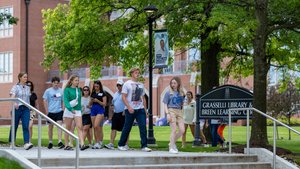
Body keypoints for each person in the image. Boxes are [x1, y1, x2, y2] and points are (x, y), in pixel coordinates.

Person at [118, 67, 152, 152]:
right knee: (127, 127)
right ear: (132, 74)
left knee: (143, 127)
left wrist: (145, 109)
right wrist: (129, 107)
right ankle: (121, 144)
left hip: (140, 109)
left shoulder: (141, 85)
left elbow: (143, 98)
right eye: (136, 72)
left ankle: (144, 146)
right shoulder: (127, 84)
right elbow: (123, 97)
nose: (137, 74)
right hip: (130, 109)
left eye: (138, 72)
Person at [63, 75, 88, 151]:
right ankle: (66, 145)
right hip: (69, 110)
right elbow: (66, 101)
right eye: (76, 80)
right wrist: (71, 109)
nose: (77, 82)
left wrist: (79, 110)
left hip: (77, 110)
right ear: (71, 81)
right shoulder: (67, 90)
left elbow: (79, 102)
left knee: (80, 127)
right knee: (68, 128)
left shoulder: (79, 90)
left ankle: (82, 144)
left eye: (78, 80)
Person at [9, 72, 33, 150]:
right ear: (20, 78)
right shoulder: (15, 87)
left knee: (26, 125)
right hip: (17, 108)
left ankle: (26, 143)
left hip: (26, 108)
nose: (26, 78)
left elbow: (28, 99)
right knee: (14, 125)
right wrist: (14, 103)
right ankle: (12, 142)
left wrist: (30, 109)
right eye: (24, 77)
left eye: (26, 77)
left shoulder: (27, 88)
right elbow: (12, 96)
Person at [163, 76, 185, 154]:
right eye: (172, 83)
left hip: (179, 111)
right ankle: (171, 147)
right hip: (171, 110)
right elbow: (165, 104)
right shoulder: (168, 92)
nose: (173, 84)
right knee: (174, 129)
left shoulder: (181, 93)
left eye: (175, 83)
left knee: (182, 130)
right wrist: (167, 114)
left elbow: (182, 104)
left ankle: (171, 142)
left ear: (178, 83)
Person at [43, 76, 65, 149]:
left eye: (57, 83)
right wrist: (47, 111)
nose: (56, 84)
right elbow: (44, 101)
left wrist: (63, 109)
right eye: (54, 83)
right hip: (50, 112)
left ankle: (59, 141)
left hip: (59, 111)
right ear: (52, 83)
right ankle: (50, 142)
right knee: (50, 127)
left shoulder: (61, 91)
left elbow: (63, 101)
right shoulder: (48, 91)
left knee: (59, 126)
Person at [105, 80, 127, 150]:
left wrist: (125, 110)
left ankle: (125, 144)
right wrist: (111, 112)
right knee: (113, 128)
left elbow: (128, 102)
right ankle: (111, 143)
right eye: (118, 85)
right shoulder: (115, 94)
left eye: (120, 85)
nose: (119, 87)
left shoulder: (125, 93)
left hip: (123, 113)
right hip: (116, 113)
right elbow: (112, 103)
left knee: (125, 129)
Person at [90, 80, 106, 149]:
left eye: (97, 86)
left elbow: (104, 104)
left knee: (97, 126)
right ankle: (96, 142)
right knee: (95, 127)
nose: (96, 87)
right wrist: (91, 101)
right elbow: (90, 104)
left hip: (100, 110)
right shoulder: (93, 93)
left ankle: (99, 141)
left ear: (100, 86)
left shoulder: (103, 93)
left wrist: (98, 101)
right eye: (95, 86)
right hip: (93, 110)